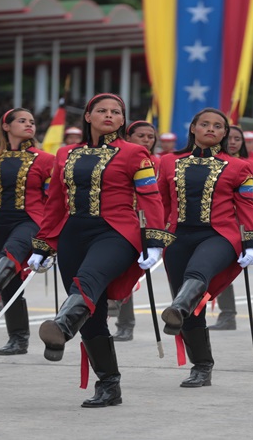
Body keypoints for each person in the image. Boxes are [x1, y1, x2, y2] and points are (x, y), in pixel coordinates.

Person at [28, 93, 173, 408]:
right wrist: (43, 243)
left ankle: (64, 323)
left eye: (116, 112)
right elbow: (54, 202)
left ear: (122, 120)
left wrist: (155, 239)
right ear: (88, 116)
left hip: (118, 232)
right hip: (73, 235)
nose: (109, 115)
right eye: (102, 110)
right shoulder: (65, 154)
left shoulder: (136, 154)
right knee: (92, 316)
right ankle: (109, 385)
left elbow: (151, 199)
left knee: (89, 278)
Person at [157, 108, 253, 387]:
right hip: (178, 238)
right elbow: (162, 204)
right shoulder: (168, 162)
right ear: (193, 128)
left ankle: (178, 306)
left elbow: (248, 207)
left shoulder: (240, 168)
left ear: (225, 133)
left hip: (220, 236)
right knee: (194, 311)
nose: (211, 129)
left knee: (197, 274)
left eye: (218, 126)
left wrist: (252, 242)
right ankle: (201, 366)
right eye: (205, 124)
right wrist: (154, 238)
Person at [0, 108, 53, 355]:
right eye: (22, 121)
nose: (29, 125)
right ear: (6, 126)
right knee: (12, 285)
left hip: (30, 220)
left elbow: (53, 198)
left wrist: (52, 237)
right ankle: (18, 339)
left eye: (32, 122)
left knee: (13, 251)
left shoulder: (46, 159)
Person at [105, 120, 160, 343]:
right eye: (141, 136)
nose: (147, 140)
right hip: (120, 221)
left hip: (144, 222)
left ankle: (125, 324)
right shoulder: (119, 158)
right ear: (128, 138)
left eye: (150, 136)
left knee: (127, 275)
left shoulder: (158, 162)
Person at [209, 125, 253, 331]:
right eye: (230, 138)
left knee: (224, 270)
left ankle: (228, 315)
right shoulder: (209, 163)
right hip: (212, 223)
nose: (233, 142)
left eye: (237, 139)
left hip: (238, 226)